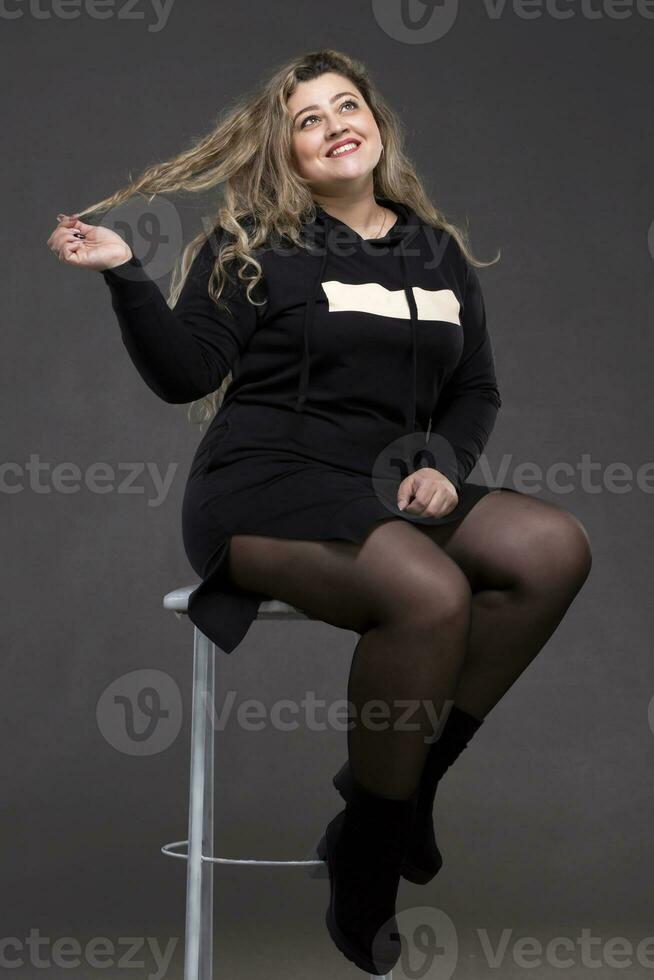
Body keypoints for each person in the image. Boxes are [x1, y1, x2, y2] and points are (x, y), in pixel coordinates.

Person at [47, 48, 592, 977]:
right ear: (287, 151)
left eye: (349, 105)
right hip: (263, 485)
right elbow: (186, 373)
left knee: (551, 548)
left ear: (377, 124)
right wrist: (130, 274)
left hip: (382, 485)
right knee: (429, 595)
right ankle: (369, 861)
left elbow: (476, 390)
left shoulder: (436, 251)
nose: (337, 123)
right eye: (309, 118)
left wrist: (449, 468)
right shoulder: (254, 244)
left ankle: (402, 793)